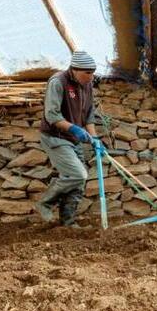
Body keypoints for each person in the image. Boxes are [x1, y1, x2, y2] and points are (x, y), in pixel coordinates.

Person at [36, 51, 101, 226]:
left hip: (73, 139)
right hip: (55, 137)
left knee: (78, 183)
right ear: (74, 69)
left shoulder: (87, 85)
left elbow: (88, 115)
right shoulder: (58, 82)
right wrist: (74, 128)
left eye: (93, 72)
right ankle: (45, 203)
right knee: (78, 174)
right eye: (87, 72)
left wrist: (95, 139)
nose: (91, 76)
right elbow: (52, 115)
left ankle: (68, 223)